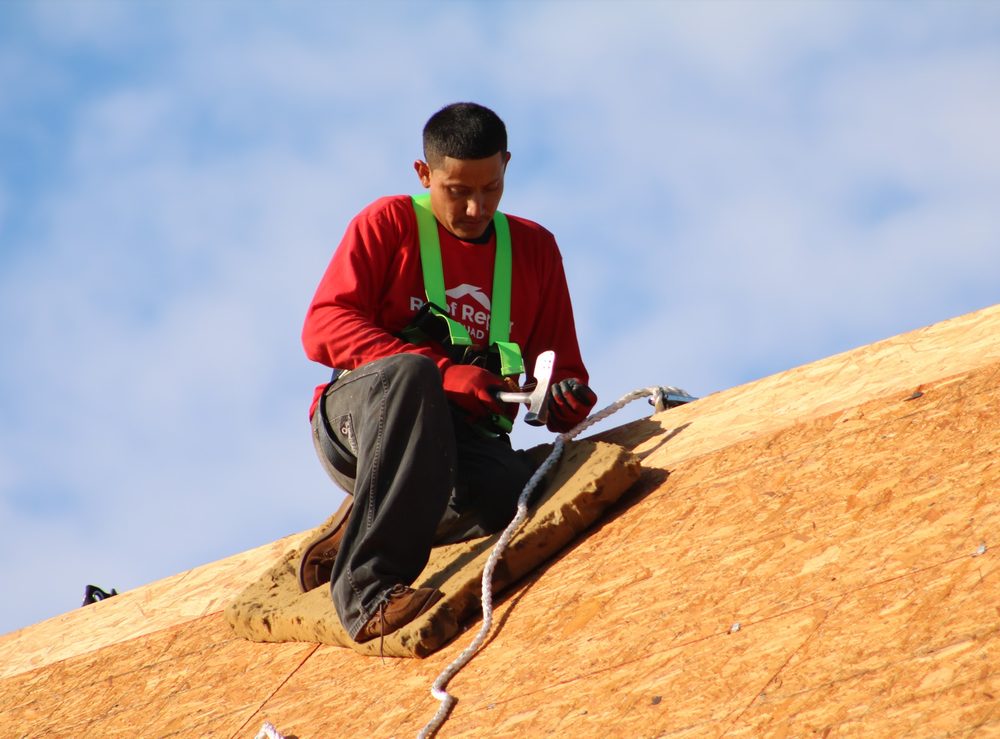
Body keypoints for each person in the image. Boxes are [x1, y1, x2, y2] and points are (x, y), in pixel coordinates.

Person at [299, 102, 597, 644]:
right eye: (457, 190)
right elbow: (322, 326)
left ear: (506, 165)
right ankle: (369, 595)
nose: (475, 206)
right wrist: (444, 372)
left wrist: (562, 399)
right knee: (410, 375)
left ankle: (357, 525)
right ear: (423, 174)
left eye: (491, 188)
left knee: (521, 496)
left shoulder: (535, 250)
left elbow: (562, 367)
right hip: (359, 425)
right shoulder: (388, 222)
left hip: (455, 450)